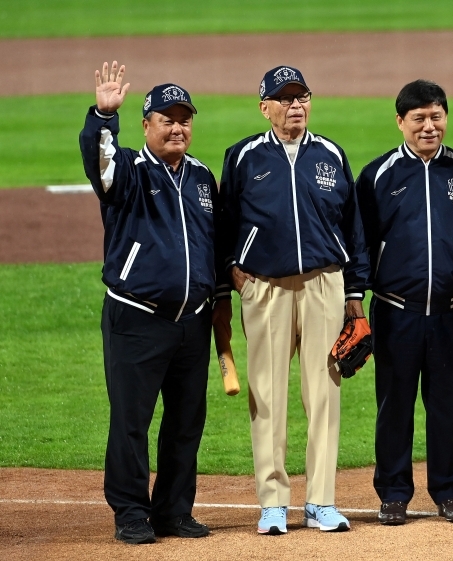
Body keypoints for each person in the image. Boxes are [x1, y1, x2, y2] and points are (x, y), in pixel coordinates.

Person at [79, 61, 229, 544]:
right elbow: (99, 169)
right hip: (136, 317)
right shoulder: (127, 170)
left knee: (186, 422)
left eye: (185, 119)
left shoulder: (203, 178)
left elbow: (215, 246)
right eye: (167, 119)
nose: (178, 127)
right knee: (131, 421)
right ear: (147, 125)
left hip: (192, 322)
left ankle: (173, 510)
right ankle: (130, 513)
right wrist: (104, 119)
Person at [217, 66, 370, 535]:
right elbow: (222, 224)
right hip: (264, 289)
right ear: (265, 107)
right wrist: (234, 273)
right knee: (267, 396)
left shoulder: (329, 154)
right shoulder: (243, 156)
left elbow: (353, 227)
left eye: (301, 97)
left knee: (324, 395)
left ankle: (321, 501)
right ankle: (273, 503)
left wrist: (354, 295)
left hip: (325, 284)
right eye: (284, 99)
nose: (295, 106)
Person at [355, 80, 453, 526]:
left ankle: (448, 492)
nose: (429, 126)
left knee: (446, 404)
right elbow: (360, 244)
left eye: (436, 116)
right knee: (395, 405)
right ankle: (392, 493)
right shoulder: (377, 176)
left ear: (446, 116)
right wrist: (354, 304)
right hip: (394, 311)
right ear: (400, 122)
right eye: (419, 118)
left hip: (452, 310)